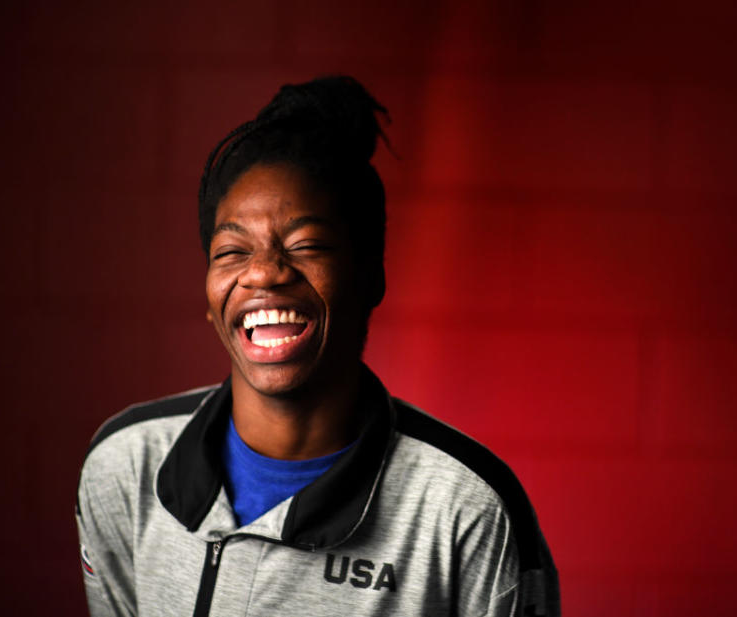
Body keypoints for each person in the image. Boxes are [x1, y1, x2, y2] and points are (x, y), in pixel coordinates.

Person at [76, 76, 560, 617]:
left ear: (370, 274)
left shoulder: (468, 509)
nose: (263, 271)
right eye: (231, 251)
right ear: (210, 294)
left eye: (305, 244)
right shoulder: (125, 466)